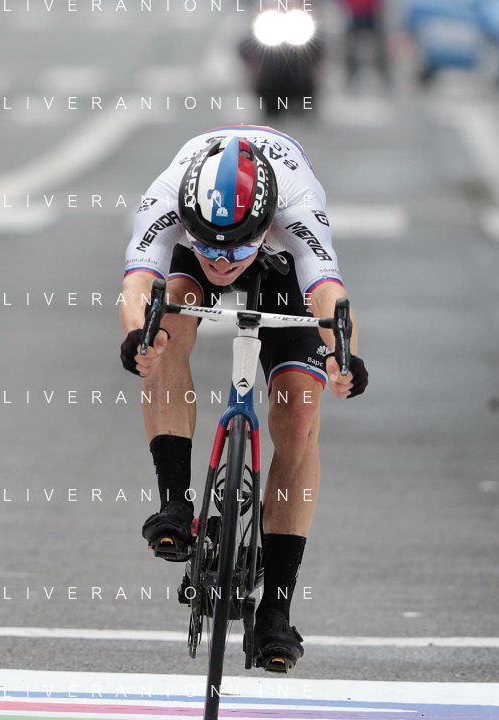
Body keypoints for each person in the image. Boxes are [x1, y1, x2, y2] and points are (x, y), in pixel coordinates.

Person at [119, 127, 368, 672]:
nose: (221, 261)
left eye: (233, 249)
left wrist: (343, 355)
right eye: (208, 244)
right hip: (199, 255)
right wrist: (140, 335)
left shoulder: (297, 205)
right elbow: (137, 284)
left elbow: (329, 295)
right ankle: (175, 504)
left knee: (300, 412)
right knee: (165, 328)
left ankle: (276, 610)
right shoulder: (168, 196)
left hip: (282, 265)